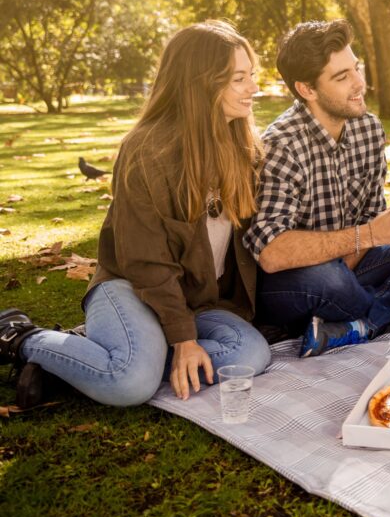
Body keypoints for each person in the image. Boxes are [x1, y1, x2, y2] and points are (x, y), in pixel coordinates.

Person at [0, 21, 272, 408]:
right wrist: (184, 340)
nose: (254, 89)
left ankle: (91, 358)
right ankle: (22, 337)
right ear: (201, 84)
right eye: (239, 79)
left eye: (252, 76)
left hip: (198, 301)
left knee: (249, 356)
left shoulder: (244, 148)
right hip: (131, 288)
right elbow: (145, 262)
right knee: (130, 382)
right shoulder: (147, 151)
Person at [243, 20, 390, 357]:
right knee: (330, 281)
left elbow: (370, 222)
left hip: (351, 263)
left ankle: (355, 325)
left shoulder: (368, 129)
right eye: (342, 77)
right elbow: (270, 253)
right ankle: (376, 314)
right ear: (307, 89)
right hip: (294, 283)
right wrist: (370, 235)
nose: (359, 83)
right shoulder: (281, 145)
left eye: (355, 68)